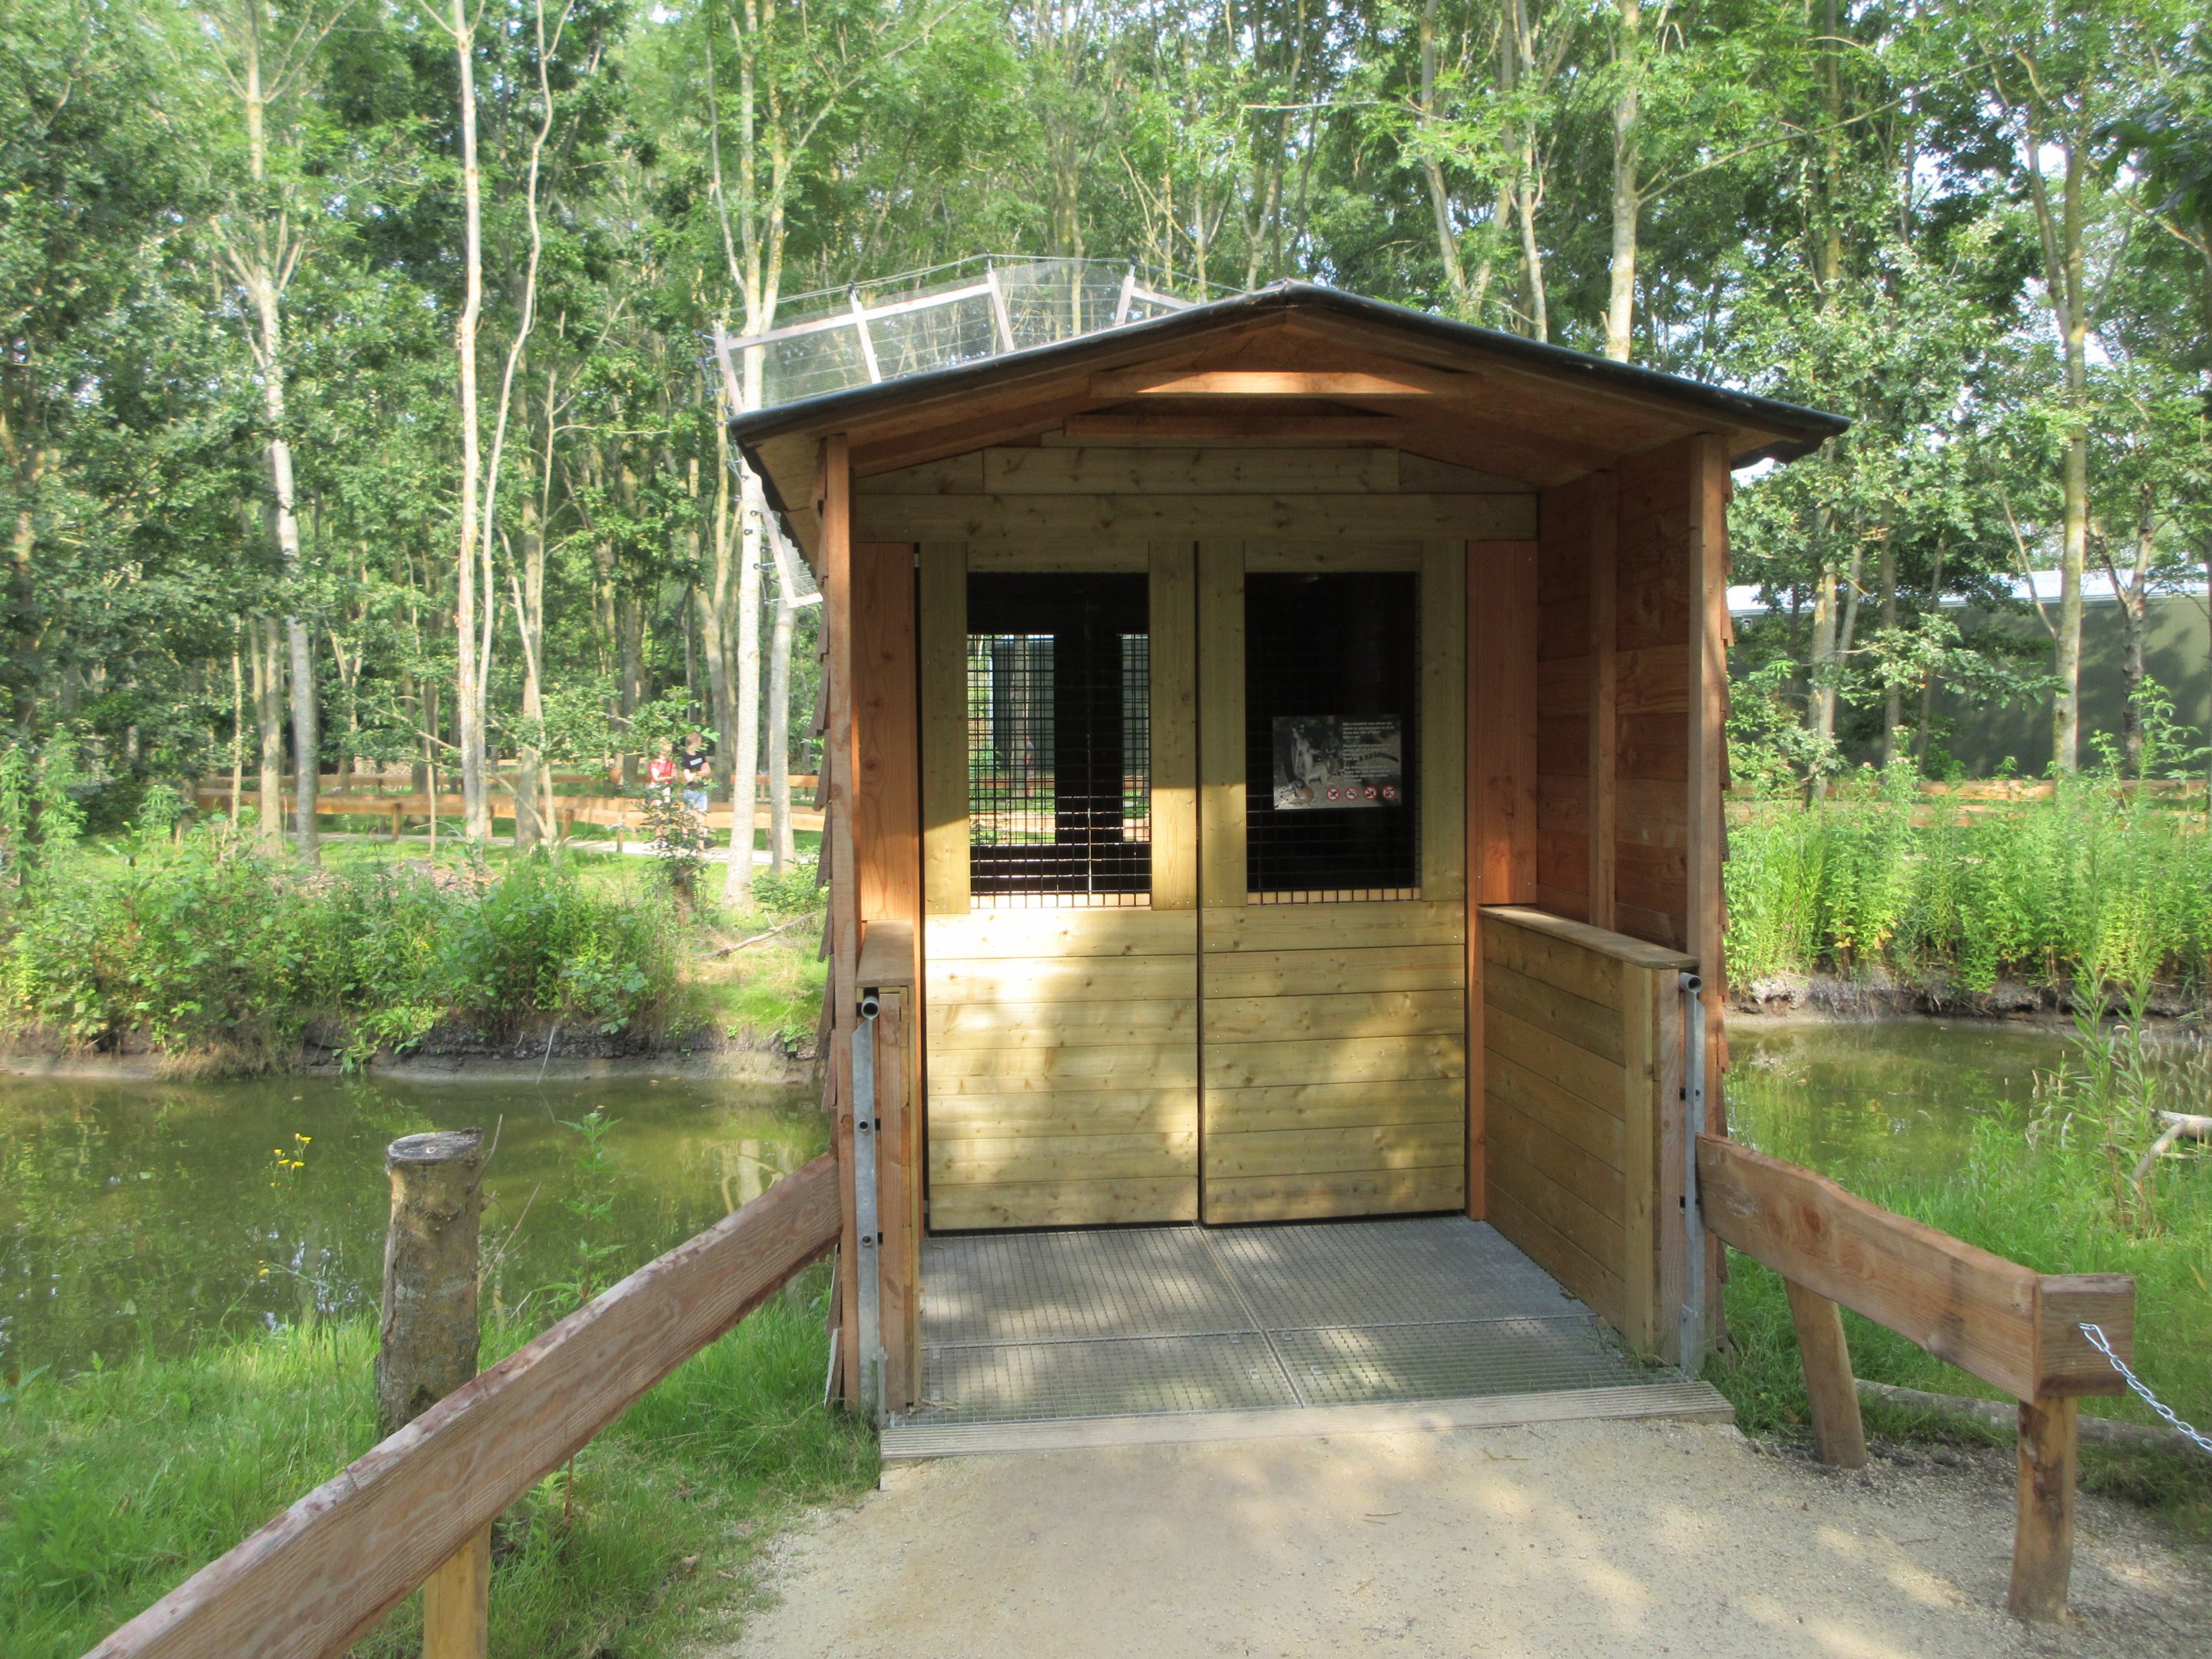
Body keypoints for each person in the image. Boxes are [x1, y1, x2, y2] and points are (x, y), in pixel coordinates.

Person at [680, 731, 711, 816]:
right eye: (700, 741)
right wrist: (699, 774)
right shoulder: (684, 757)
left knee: (702, 810)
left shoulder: (700, 755)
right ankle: (685, 829)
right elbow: (688, 777)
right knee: (688, 811)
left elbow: (707, 770)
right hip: (690, 789)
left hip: (701, 787)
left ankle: (701, 828)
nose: (701, 743)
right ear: (695, 742)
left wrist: (696, 774)